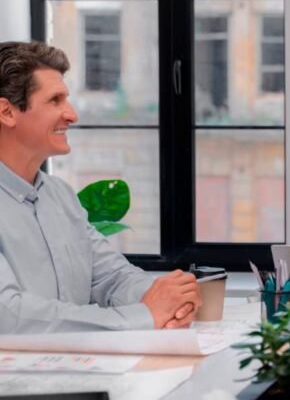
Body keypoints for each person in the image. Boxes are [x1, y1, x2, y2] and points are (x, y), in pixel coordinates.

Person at [0, 41, 201, 334]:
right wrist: (145, 315)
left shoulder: (61, 197)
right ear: (7, 112)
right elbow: (9, 315)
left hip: (78, 368)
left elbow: (112, 277)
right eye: (55, 101)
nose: (71, 115)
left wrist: (169, 299)